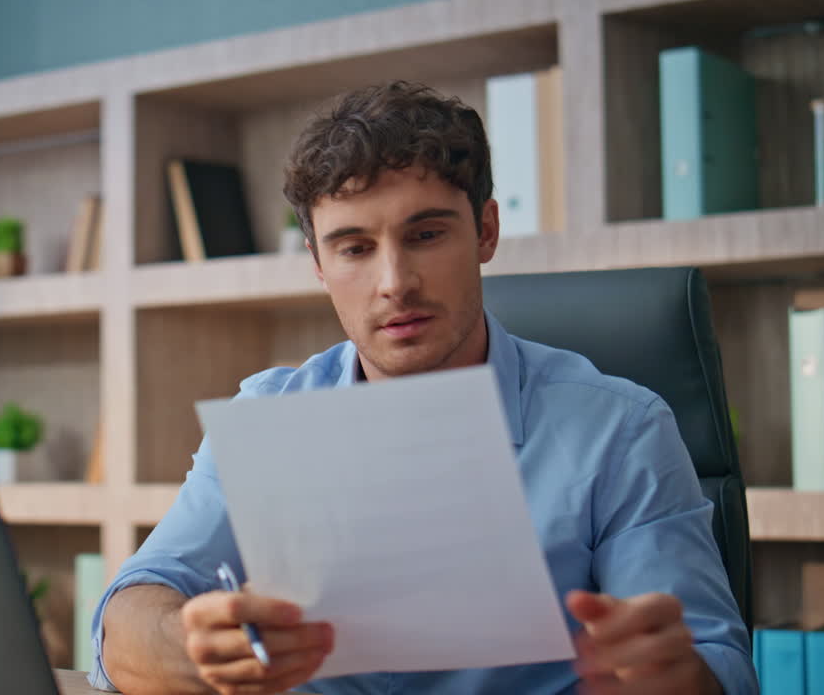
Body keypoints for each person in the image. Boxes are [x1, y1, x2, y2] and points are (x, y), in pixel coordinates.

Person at [88, 81, 756, 695]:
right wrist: (190, 643)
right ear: (318, 264)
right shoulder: (267, 414)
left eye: (426, 234)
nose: (395, 282)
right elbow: (128, 618)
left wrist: (674, 674)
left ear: (486, 231)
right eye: (353, 248)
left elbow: (715, 662)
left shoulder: (620, 430)